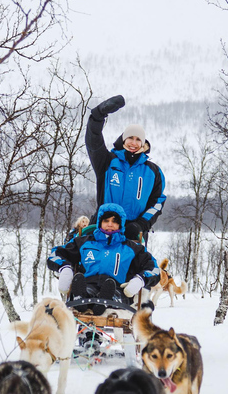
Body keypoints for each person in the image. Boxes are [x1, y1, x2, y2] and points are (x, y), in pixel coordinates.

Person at [47, 203, 160, 315]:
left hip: (117, 289)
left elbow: (154, 268)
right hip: (87, 284)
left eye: (115, 221)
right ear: (100, 222)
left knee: (111, 291)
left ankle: (103, 302)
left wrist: (140, 279)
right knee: (86, 291)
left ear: (121, 224)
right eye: (106, 221)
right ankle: (80, 297)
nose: (110, 224)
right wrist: (65, 268)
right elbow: (56, 254)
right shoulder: (84, 242)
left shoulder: (131, 248)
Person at [86, 95, 166, 244]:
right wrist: (97, 116)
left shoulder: (153, 171)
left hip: (134, 232)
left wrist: (141, 224)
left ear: (143, 143)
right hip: (103, 228)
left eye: (138, 139)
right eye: (130, 138)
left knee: (137, 267)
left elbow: (157, 202)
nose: (133, 143)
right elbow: (93, 140)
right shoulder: (107, 161)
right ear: (124, 139)